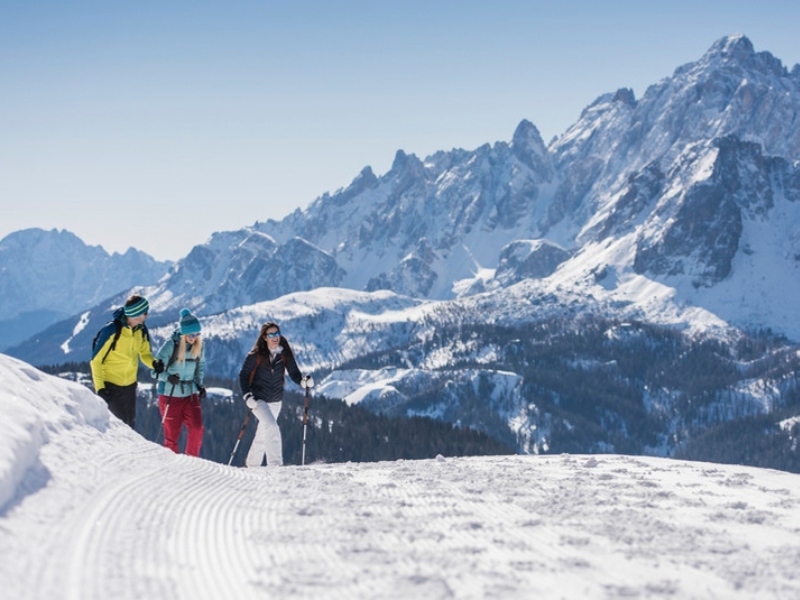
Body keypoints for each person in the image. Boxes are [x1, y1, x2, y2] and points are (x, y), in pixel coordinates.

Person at [238, 321, 313, 467]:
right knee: (271, 426)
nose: (275, 337)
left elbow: (294, 373)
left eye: (277, 333)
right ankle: (276, 466)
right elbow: (243, 375)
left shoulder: (284, 353)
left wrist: (303, 382)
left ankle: (252, 465)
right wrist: (247, 396)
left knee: (263, 431)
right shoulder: (256, 355)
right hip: (258, 400)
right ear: (264, 337)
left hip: (276, 400)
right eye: (271, 334)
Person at [90, 294, 159, 428]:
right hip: (110, 386)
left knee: (130, 426)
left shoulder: (141, 330)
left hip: (130, 386)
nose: (147, 316)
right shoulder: (111, 330)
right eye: (144, 313)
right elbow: (95, 361)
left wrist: (154, 363)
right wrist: (100, 389)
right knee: (119, 427)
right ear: (135, 315)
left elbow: (144, 354)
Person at [152, 308, 207, 456]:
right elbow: (154, 371)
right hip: (170, 396)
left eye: (197, 334)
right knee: (171, 438)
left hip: (190, 394)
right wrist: (168, 377)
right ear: (183, 333)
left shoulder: (199, 346)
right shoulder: (171, 346)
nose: (194, 337)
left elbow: (199, 367)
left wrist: (199, 386)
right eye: (191, 334)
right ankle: (174, 470)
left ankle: (192, 461)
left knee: (197, 428)